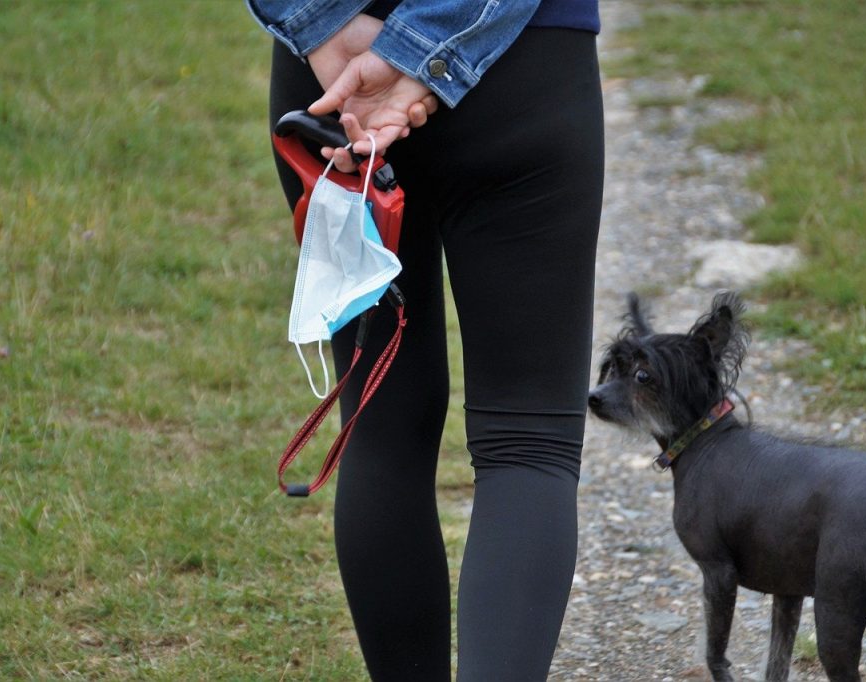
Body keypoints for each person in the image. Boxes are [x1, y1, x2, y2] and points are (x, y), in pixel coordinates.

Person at [248, 1, 604, 679]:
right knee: (527, 443)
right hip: (525, 64)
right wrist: (427, 49)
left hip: (333, 81)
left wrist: (320, 24)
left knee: (382, 425)